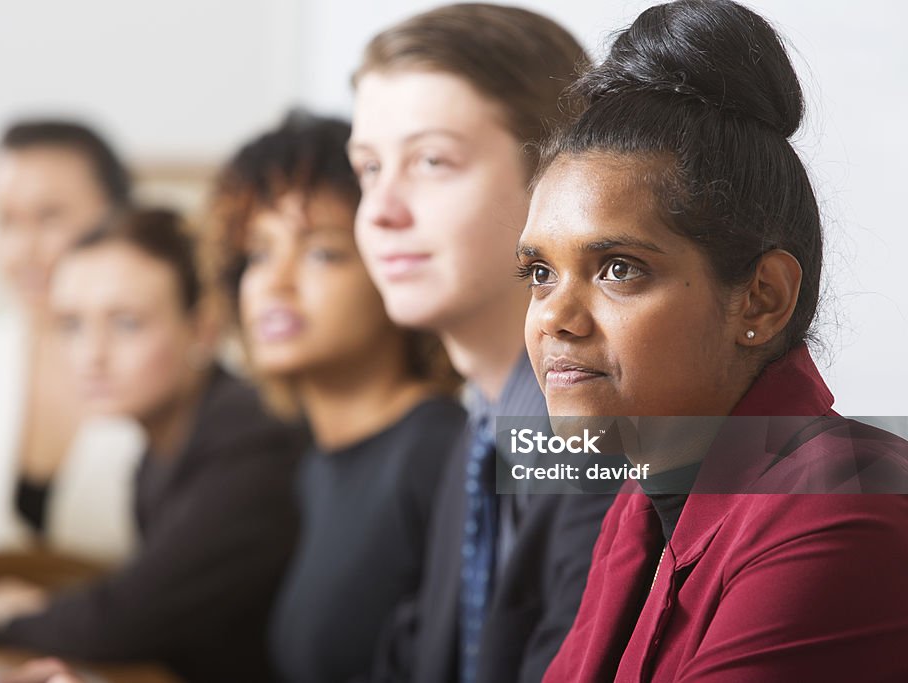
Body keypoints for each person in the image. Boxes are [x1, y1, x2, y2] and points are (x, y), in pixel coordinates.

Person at [517, 2, 908, 681]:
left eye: (619, 269)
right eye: (539, 273)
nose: (556, 316)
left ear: (761, 298)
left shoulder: (850, 507)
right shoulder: (637, 509)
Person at [349, 6, 615, 682]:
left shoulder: (607, 445)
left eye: (431, 161)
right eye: (368, 168)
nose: (380, 209)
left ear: (555, 180)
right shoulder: (480, 434)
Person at [0, 207, 304, 682]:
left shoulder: (254, 442)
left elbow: (129, 620)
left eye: (126, 324)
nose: (92, 355)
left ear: (204, 328)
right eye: (72, 325)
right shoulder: (159, 450)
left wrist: (11, 619)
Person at [209, 110, 467, 683]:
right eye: (257, 253)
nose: (274, 284)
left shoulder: (436, 451)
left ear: (391, 266)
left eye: (321, 252)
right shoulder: (315, 466)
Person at [0, 120, 142, 563]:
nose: (23, 249)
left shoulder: (164, 362)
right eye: (5, 221)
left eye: (49, 217)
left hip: (135, 629)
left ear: (117, 217)